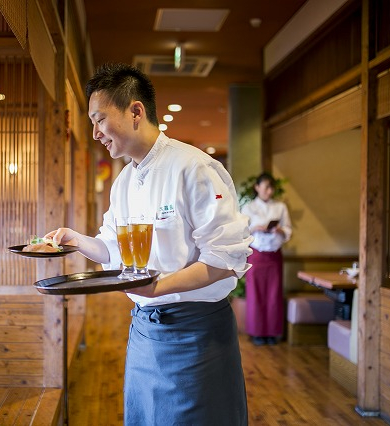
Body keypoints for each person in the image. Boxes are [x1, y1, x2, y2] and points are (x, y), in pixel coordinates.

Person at [45, 63, 253, 425]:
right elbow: (112, 251)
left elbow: (223, 260)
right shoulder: (124, 181)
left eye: (99, 120)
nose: (94, 133)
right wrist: (76, 240)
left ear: (135, 111)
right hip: (143, 332)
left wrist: (156, 288)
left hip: (196, 334)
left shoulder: (194, 167)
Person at [241, 172, 292, 346]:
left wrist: (279, 230)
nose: (269, 191)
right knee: (256, 293)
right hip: (256, 254)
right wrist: (256, 228)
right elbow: (241, 232)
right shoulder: (248, 208)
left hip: (274, 254)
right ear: (257, 187)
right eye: (266, 187)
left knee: (273, 294)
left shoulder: (280, 207)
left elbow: (288, 230)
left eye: (271, 188)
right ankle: (256, 332)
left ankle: (272, 332)